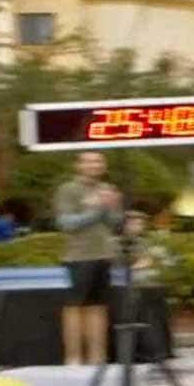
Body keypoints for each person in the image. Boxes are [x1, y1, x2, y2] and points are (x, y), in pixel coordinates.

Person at [55, 151, 122, 367]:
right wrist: (96, 210)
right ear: (79, 165)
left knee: (98, 306)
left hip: (104, 255)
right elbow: (67, 224)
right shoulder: (68, 190)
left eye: (98, 161)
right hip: (78, 257)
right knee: (74, 306)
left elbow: (116, 224)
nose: (94, 165)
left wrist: (112, 207)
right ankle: (73, 357)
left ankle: (98, 358)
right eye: (89, 161)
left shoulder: (108, 190)